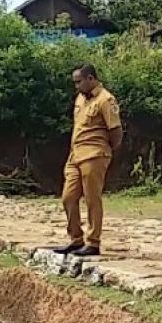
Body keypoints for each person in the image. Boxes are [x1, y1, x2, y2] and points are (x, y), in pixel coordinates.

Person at [55, 64, 122, 258]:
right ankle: (76, 239)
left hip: (94, 154)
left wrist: (105, 150)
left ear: (90, 79)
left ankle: (93, 242)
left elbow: (115, 131)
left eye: (79, 81)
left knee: (92, 198)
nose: (76, 86)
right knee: (68, 197)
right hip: (76, 155)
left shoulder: (106, 100)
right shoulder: (80, 99)